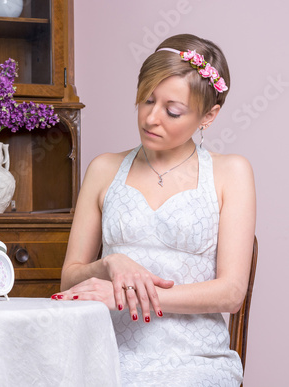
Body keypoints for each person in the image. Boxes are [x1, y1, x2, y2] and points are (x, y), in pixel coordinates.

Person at [52, 34, 256, 386]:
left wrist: (126, 297)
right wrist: (108, 264)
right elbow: (69, 279)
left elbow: (231, 293)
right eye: (147, 100)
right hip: (103, 350)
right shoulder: (104, 169)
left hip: (193, 360)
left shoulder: (231, 172)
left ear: (209, 115)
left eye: (172, 111)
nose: (151, 118)